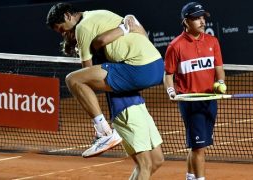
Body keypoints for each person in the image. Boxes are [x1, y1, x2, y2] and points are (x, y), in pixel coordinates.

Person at [46, 3, 164, 157]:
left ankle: (104, 132)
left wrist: (84, 49)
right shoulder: (99, 14)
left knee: (73, 80)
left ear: (68, 16)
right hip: (157, 64)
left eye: (62, 29)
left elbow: (86, 71)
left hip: (139, 69)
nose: (63, 33)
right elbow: (137, 33)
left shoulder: (83, 28)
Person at [61, 26, 164, 179]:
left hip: (137, 104)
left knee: (157, 160)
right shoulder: (96, 53)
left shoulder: (107, 51)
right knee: (145, 165)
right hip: (125, 110)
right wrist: (125, 24)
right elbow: (104, 39)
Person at [163, 2, 226, 180]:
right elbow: (168, 75)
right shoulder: (175, 46)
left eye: (202, 17)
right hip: (190, 101)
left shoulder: (213, 41)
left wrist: (220, 82)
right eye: (197, 18)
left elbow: (219, 68)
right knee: (199, 147)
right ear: (186, 21)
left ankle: (190, 176)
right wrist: (170, 91)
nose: (202, 21)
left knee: (195, 145)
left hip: (210, 100)